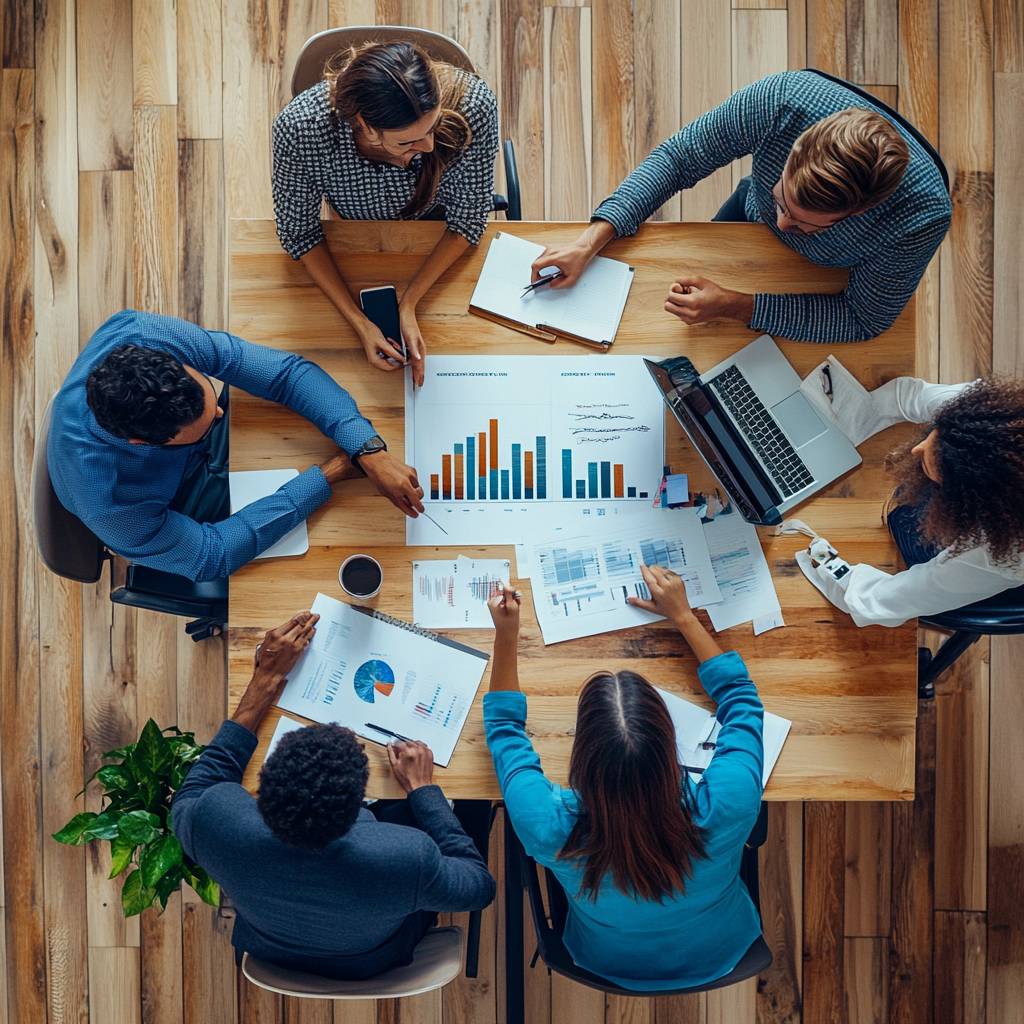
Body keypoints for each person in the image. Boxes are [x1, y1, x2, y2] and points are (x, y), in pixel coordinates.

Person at [171, 611, 496, 978]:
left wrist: (265, 677)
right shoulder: (406, 857)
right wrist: (423, 790)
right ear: (362, 805)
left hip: (271, 944)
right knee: (469, 802)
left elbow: (195, 788)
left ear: (264, 783)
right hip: (368, 957)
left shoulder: (215, 825)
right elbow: (478, 887)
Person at [483, 570, 765, 990]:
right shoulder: (729, 804)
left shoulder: (546, 824)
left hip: (601, 959)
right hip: (722, 949)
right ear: (670, 749)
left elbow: (506, 730)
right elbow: (741, 698)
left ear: (582, 758)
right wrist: (684, 616)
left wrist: (506, 635)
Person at [530, 70, 951, 343]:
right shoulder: (781, 101)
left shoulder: (920, 218)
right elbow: (679, 158)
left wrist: (737, 305)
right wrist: (590, 242)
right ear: (795, 147)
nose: (781, 223)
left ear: (858, 213)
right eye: (781, 198)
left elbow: (863, 318)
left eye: (807, 225)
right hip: (739, 230)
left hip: (825, 282)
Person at [48, 309, 425, 581]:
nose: (219, 414)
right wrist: (325, 477)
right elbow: (212, 556)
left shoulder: (146, 333)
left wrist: (366, 448)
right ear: (142, 442)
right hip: (171, 501)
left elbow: (286, 374)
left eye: (210, 398)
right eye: (203, 422)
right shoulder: (112, 508)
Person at [272, 40, 500, 386]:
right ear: (364, 125)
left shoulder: (474, 104)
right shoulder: (300, 130)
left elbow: (468, 219)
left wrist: (408, 302)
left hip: (436, 229)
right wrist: (360, 323)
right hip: (354, 228)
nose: (427, 147)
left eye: (433, 127)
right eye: (407, 142)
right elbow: (299, 234)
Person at [798, 376, 1024, 626]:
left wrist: (828, 566)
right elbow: (908, 395)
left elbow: (886, 600)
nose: (917, 449)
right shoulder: (993, 419)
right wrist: (851, 419)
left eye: (929, 467)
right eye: (934, 434)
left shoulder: (1001, 554)